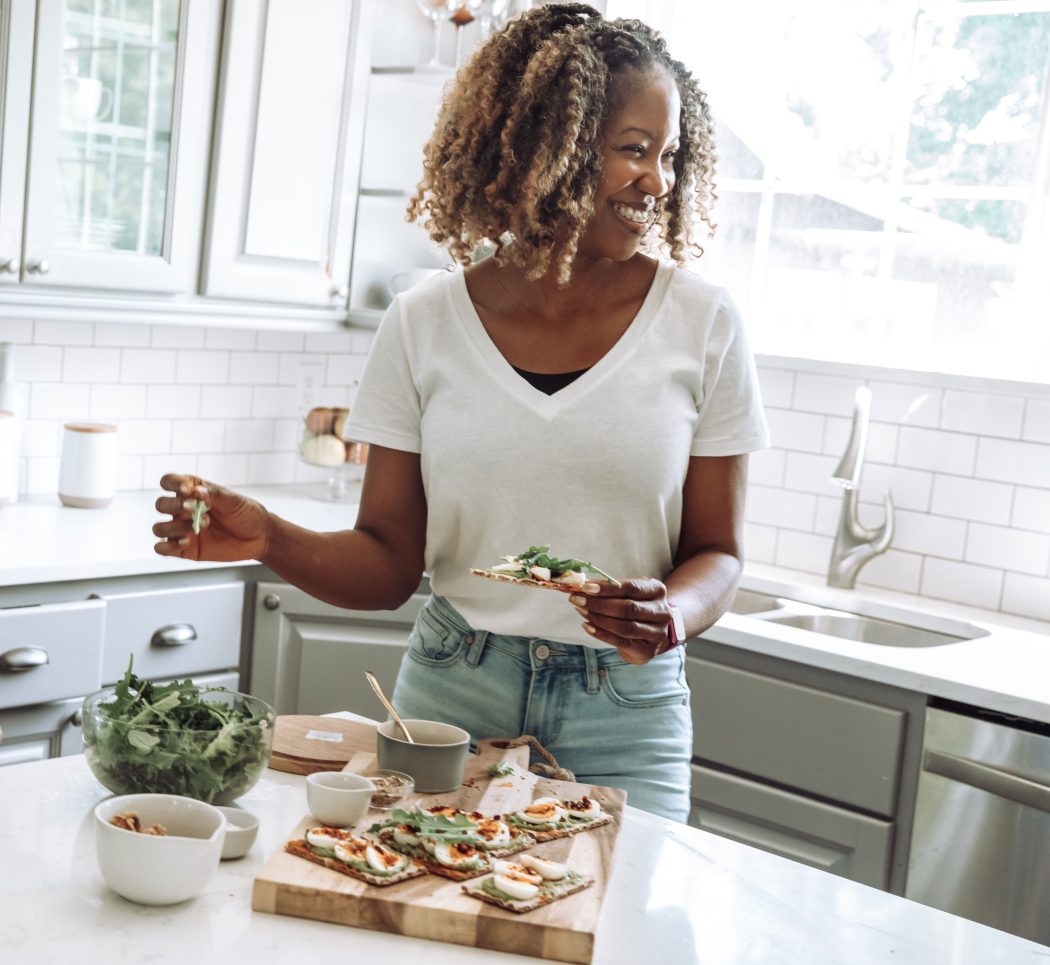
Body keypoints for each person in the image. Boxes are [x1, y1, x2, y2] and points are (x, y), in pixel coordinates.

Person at [152, 3, 768, 823]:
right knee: (420, 919)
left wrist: (671, 615)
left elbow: (719, 552)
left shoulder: (704, 322)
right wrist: (269, 537)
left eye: (668, 156)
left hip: (626, 709)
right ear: (553, 147)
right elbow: (388, 558)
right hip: (451, 689)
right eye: (633, 150)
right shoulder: (424, 320)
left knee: (621, 936)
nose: (658, 181)